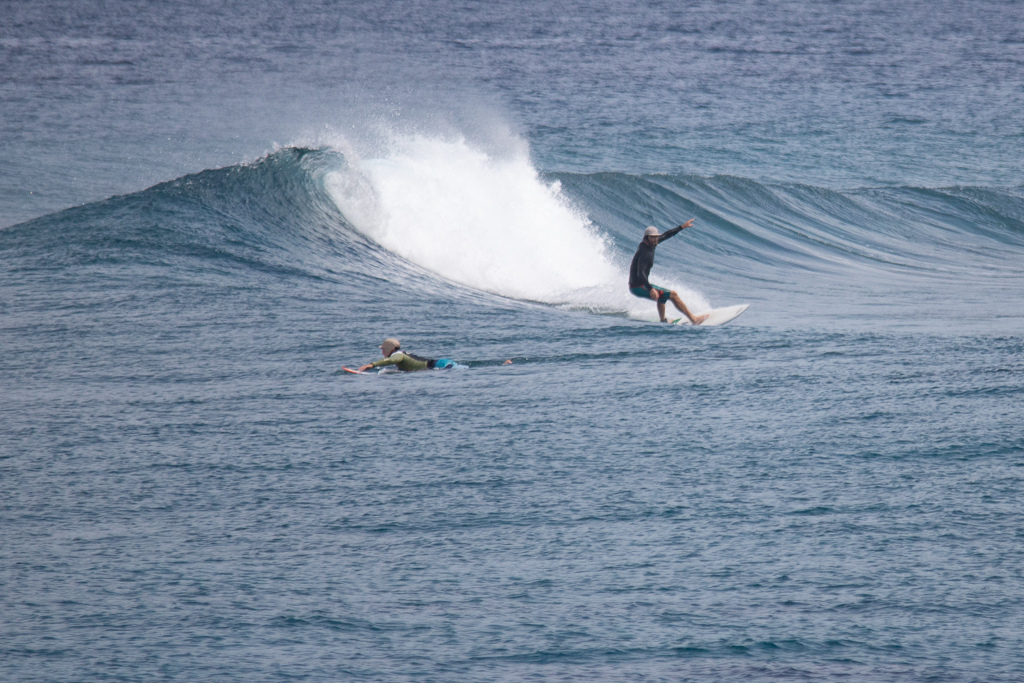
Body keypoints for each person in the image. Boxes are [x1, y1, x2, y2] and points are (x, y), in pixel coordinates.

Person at [628, 220, 708, 324]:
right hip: (638, 287)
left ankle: (663, 321)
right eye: (653, 237)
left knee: (663, 297)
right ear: (647, 238)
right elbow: (640, 274)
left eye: (656, 236)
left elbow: (666, 235)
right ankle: (694, 319)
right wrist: (651, 289)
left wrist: (682, 227)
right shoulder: (644, 252)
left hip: (639, 285)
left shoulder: (652, 244)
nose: (656, 239)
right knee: (673, 294)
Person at [357, 338, 458, 372]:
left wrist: (372, 365)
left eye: (383, 349)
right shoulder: (400, 354)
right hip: (442, 363)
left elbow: (392, 360)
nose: (382, 352)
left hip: (442, 365)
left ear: (389, 349)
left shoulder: (398, 355)